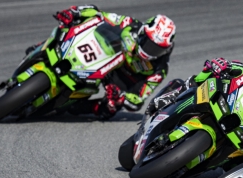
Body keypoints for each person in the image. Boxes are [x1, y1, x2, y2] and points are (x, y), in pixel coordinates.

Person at [48, 5, 176, 119]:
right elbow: (100, 14)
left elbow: (138, 101)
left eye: (157, 49)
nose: (151, 51)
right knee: (68, 27)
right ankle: (44, 47)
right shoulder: (130, 24)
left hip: (119, 80)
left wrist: (122, 97)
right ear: (143, 32)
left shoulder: (160, 69)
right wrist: (75, 12)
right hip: (103, 56)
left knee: (109, 109)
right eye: (149, 44)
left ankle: (73, 105)